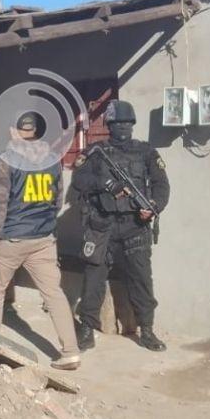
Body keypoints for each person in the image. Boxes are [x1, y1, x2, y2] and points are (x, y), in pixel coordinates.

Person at [0, 112, 81, 370]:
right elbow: (57, 201)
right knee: (54, 293)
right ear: (36, 131)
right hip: (43, 238)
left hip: (12, 238)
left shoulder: (7, 160)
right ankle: (71, 352)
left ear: (15, 131)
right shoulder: (52, 159)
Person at [72, 100, 171, 352]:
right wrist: (106, 184)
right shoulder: (96, 151)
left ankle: (146, 330)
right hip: (102, 224)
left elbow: (161, 185)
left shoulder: (146, 152)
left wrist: (154, 206)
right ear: (109, 125)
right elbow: (79, 180)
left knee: (141, 278)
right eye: (118, 123)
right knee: (93, 278)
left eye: (127, 123)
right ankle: (87, 329)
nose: (123, 127)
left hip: (134, 224)